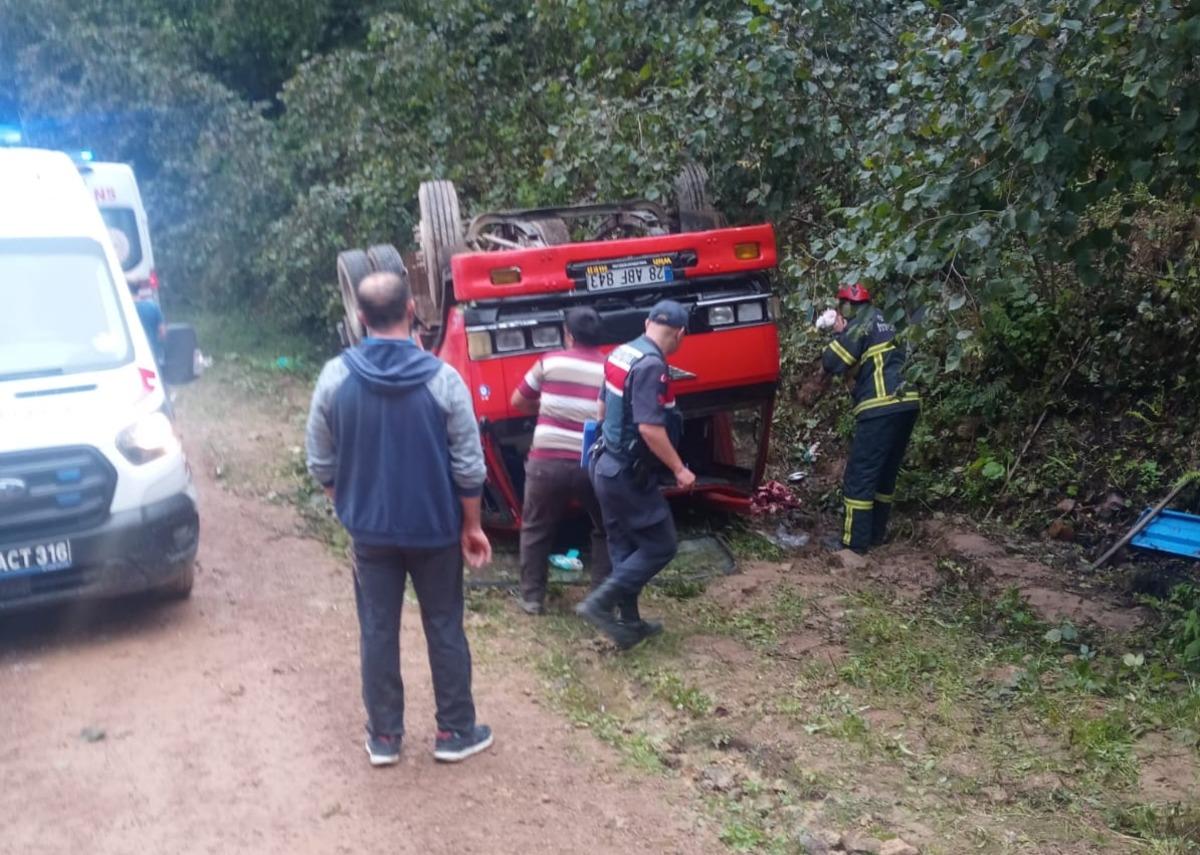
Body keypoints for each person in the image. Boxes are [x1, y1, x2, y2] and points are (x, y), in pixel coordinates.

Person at [305, 269, 495, 768]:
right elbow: (468, 465)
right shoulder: (443, 378)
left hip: (370, 534)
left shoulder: (335, 377)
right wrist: (471, 526)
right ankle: (455, 730)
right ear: (412, 310)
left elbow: (320, 461)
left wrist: (349, 505)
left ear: (360, 317)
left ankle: (385, 737)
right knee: (444, 624)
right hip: (435, 530)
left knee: (377, 628)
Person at [576, 300, 695, 649]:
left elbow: (601, 407)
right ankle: (600, 603)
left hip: (604, 465)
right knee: (661, 544)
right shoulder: (651, 366)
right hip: (626, 474)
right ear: (680, 334)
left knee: (624, 545)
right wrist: (679, 469)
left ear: (646, 323)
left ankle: (628, 624)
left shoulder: (621, 353)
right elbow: (649, 428)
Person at [800, 283, 920, 554]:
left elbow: (833, 360)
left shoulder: (861, 324)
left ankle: (854, 545)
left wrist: (838, 333)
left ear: (846, 306)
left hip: (880, 405)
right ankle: (875, 535)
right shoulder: (889, 318)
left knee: (860, 475)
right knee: (885, 474)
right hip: (908, 403)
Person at [510, 307, 611, 615]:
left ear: (568, 335)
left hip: (546, 462)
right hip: (590, 464)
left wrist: (547, 407)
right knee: (606, 528)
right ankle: (600, 599)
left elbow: (518, 401)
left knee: (535, 528)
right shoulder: (611, 369)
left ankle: (532, 598)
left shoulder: (549, 361)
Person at [130, 282, 165, 365]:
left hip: (135, 354)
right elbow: (162, 333)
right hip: (153, 352)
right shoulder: (154, 307)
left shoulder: (127, 310)